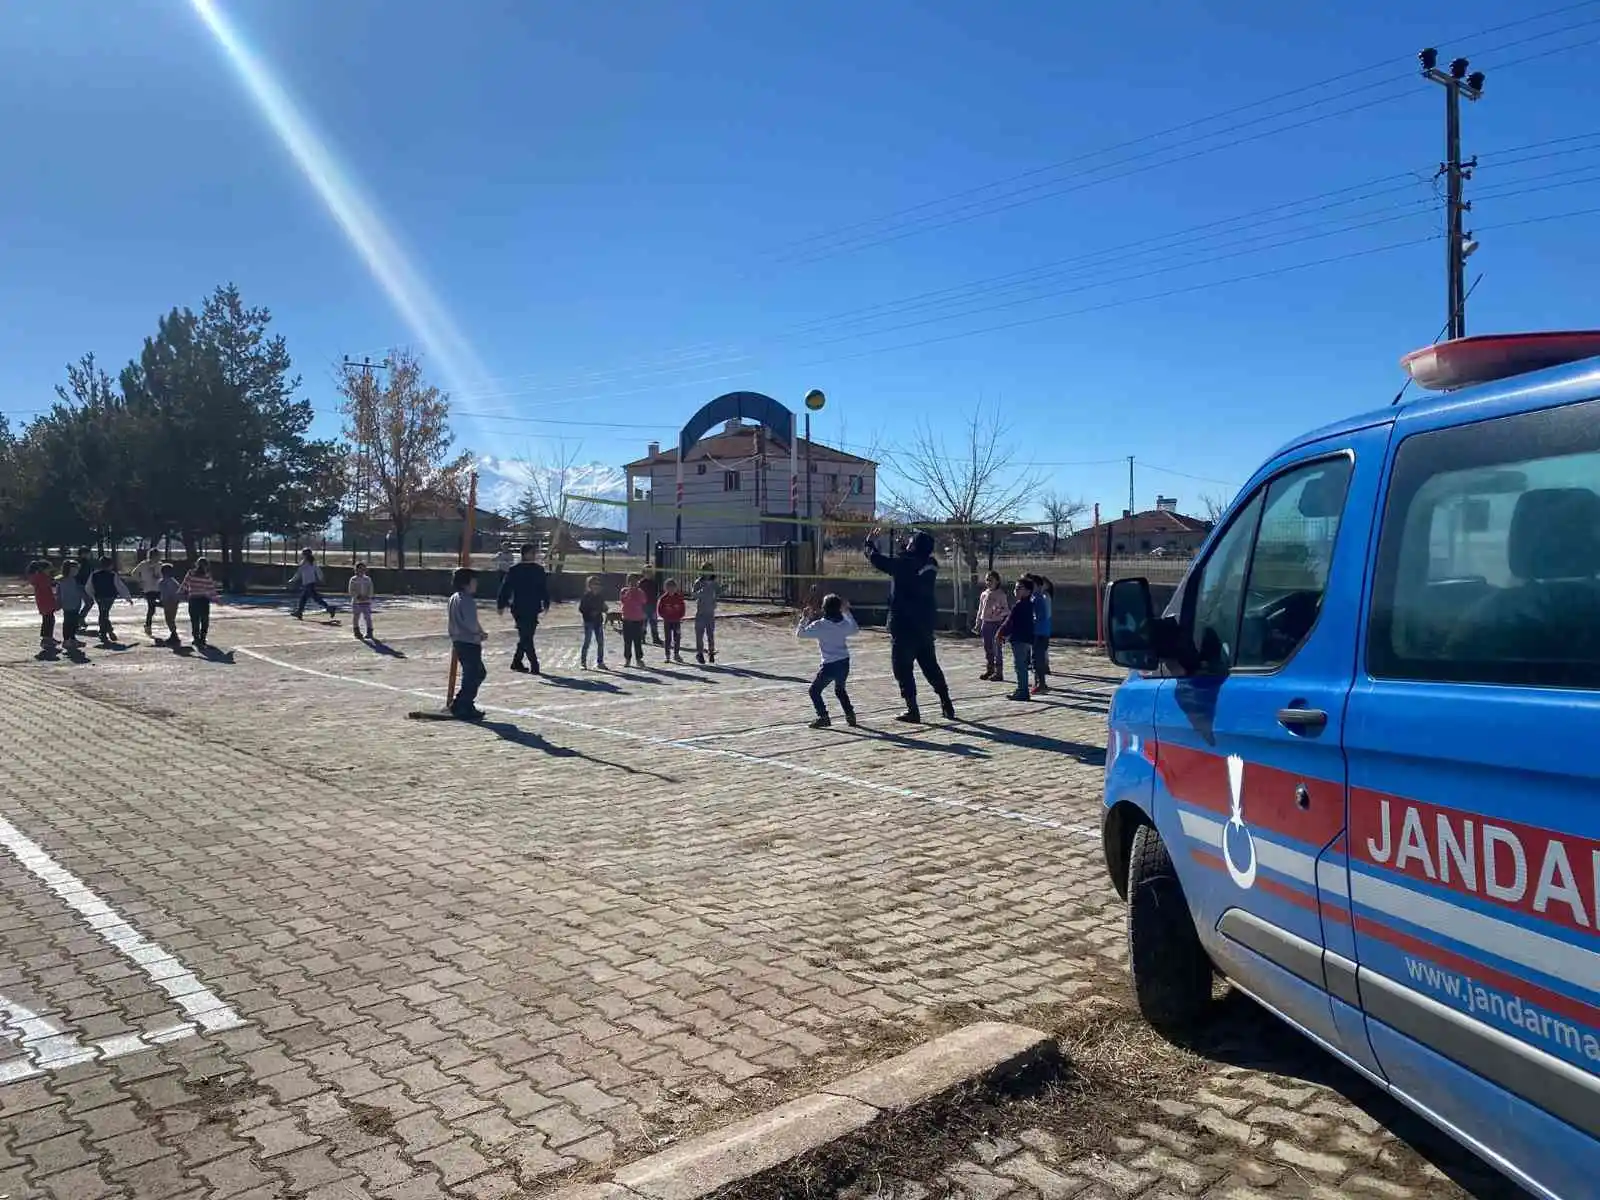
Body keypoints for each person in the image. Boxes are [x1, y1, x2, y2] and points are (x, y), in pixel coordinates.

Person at [864, 528, 955, 723]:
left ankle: (913, 710)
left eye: (911, 542)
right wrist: (904, 546)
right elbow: (910, 561)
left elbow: (877, 560)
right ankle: (946, 702)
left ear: (915, 547)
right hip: (924, 623)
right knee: (930, 665)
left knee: (903, 668)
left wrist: (870, 543)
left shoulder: (904, 564)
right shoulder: (931, 564)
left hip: (904, 624)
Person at [797, 593, 858, 730]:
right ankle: (850, 714)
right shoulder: (843, 624)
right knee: (840, 690)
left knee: (814, 691)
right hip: (844, 661)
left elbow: (800, 634)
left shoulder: (820, 625)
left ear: (824, 609)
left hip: (830, 664)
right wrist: (847, 612)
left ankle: (823, 716)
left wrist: (805, 617)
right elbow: (854, 629)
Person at [496, 542, 550, 674]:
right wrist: (501, 604)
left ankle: (516, 662)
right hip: (519, 607)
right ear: (525, 554)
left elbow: (543, 588)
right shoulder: (515, 569)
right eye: (533, 553)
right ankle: (534, 664)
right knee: (526, 636)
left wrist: (546, 602)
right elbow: (505, 588)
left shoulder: (539, 570)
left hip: (533, 607)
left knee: (526, 636)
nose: (535, 555)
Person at [447, 567, 487, 721]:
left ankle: (464, 703)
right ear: (466, 583)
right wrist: (479, 633)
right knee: (474, 674)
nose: (476, 584)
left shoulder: (454, 597)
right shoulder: (467, 600)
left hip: (459, 640)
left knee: (474, 673)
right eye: (474, 581)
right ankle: (462, 704)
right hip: (469, 641)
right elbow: (471, 623)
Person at [997, 576, 1036, 701]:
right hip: (1026, 639)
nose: (1016, 590)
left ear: (1028, 591)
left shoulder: (1020, 606)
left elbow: (1010, 622)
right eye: (1016, 588)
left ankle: (1023, 691)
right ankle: (1022, 688)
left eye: (1020, 588)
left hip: (1019, 639)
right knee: (1022, 665)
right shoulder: (1029, 605)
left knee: (1020, 666)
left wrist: (1000, 633)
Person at [974, 570, 1010, 682]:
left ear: (997, 581)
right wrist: (978, 623)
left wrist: (999, 611)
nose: (988, 582)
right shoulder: (984, 594)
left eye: (991, 580)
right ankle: (990, 669)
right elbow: (980, 610)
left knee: (997, 649)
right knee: (987, 647)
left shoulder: (1001, 594)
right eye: (987, 580)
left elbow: (1006, 610)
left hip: (996, 623)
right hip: (986, 623)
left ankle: (999, 672)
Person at [88, 556, 133, 643]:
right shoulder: (113, 575)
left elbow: (89, 586)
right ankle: (107, 630)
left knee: (102, 613)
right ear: (110, 565)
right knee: (104, 614)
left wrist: (93, 595)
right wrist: (127, 597)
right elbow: (120, 587)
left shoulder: (94, 574)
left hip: (99, 596)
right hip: (109, 597)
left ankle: (104, 632)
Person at [182, 558, 219, 648]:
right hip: (203, 600)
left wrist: (180, 594)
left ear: (196, 564)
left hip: (193, 599)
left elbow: (185, 585)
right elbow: (211, 589)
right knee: (204, 620)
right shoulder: (207, 576)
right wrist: (216, 599)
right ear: (207, 566)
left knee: (195, 620)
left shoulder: (191, 573)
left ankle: (196, 638)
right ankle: (202, 638)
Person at [290, 549, 336, 620]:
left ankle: (329, 608)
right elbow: (318, 571)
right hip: (309, 583)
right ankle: (299, 612)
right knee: (304, 598)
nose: (303, 555)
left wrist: (292, 580)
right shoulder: (310, 562)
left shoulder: (306, 563)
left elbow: (299, 572)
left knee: (316, 598)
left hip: (309, 584)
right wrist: (321, 578)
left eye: (304, 554)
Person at [1030, 574, 1055, 695]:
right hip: (1038, 632)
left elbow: (1039, 617)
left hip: (1039, 633)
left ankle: (1041, 683)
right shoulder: (1034, 597)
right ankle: (1038, 682)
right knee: (1035, 658)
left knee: (1037, 659)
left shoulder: (1038, 598)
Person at [55, 561, 88, 650]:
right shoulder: (62, 580)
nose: (76, 571)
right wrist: (58, 602)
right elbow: (58, 593)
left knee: (74, 623)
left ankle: (72, 639)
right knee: (68, 623)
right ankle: (67, 640)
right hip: (68, 604)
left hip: (75, 603)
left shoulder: (74, 580)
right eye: (75, 569)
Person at [578, 575, 608, 669]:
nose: (596, 586)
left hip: (598, 622)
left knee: (600, 642)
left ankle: (600, 662)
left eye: (598, 584)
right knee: (587, 641)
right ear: (589, 585)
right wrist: (590, 612)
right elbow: (581, 608)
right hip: (589, 621)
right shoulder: (586, 596)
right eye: (594, 584)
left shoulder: (600, 596)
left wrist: (604, 609)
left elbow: (603, 607)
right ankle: (583, 662)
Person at [690, 567, 719, 664]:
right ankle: (700, 653)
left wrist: (722, 589)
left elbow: (717, 593)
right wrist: (702, 590)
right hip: (701, 612)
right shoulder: (698, 582)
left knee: (710, 634)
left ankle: (711, 653)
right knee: (699, 634)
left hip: (710, 612)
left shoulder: (714, 582)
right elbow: (693, 595)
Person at [618, 575, 648, 668]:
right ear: (628, 582)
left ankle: (639, 659)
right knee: (627, 641)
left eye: (635, 582)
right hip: (627, 619)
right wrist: (629, 592)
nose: (633, 584)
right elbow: (623, 600)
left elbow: (643, 601)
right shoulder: (624, 591)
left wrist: (637, 592)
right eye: (631, 582)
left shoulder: (640, 592)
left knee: (637, 640)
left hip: (638, 619)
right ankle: (627, 659)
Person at [132, 548, 163, 637]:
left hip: (158, 588)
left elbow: (163, 575)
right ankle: (148, 626)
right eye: (156, 556)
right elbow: (134, 573)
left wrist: (160, 578)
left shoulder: (160, 565)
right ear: (151, 556)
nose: (158, 557)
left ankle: (155, 605)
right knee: (151, 609)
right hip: (148, 589)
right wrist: (140, 581)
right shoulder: (144, 564)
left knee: (163, 604)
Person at [27, 560, 58, 646]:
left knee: (48, 620)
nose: (50, 570)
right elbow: (50, 584)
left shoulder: (40, 576)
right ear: (43, 569)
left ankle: (48, 637)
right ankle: (46, 639)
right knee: (49, 620)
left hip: (44, 601)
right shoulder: (42, 577)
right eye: (49, 568)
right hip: (45, 601)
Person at [657, 579, 687, 663]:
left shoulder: (679, 597)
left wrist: (680, 617)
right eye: (669, 588)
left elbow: (683, 609)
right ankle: (667, 655)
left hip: (676, 622)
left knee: (677, 638)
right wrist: (665, 617)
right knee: (668, 639)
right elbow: (659, 610)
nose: (671, 590)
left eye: (673, 588)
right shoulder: (663, 598)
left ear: (675, 588)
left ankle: (676, 654)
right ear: (666, 588)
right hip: (667, 622)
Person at [348, 561, 376, 640]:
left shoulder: (367, 579)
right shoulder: (353, 579)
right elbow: (351, 590)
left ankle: (369, 631)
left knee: (367, 617)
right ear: (356, 570)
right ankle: (357, 631)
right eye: (359, 569)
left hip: (366, 601)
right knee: (356, 616)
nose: (361, 571)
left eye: (363, 569)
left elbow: (371, 589)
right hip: (356, 602)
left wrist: (368, 596)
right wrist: (357, 596)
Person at [157, 563, 183, 646]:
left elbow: (171, 593)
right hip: (170, 601)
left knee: (169, 619)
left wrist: (168, 601)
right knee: (169, 619)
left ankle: (174, 635)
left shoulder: (169, 581)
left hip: (171, 601)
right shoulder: (165, 581)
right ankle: (173, 634)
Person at [639, 571, 662, 646]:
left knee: (654, 622)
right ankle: (642, 637)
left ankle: (655, 638)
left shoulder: (654, 582)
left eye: (650, 572)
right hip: (644, 606)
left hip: (652, 605)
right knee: (643, 623)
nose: (649, 574)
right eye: (647, 572)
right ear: (644, 573)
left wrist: (656, 599)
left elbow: (657, 592)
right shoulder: (641, 583)